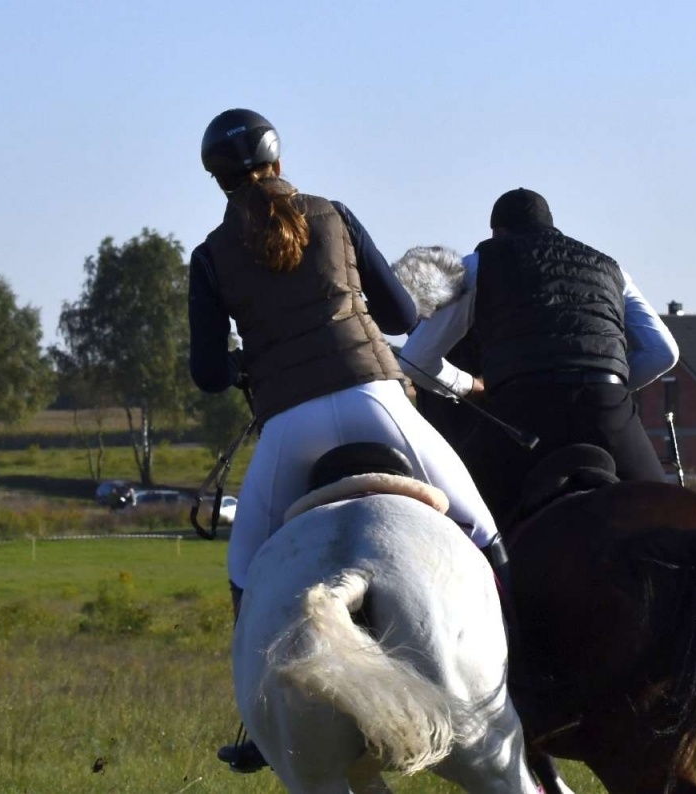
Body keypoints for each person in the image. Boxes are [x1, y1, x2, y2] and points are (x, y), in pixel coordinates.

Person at [188, 109, 504, 774]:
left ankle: (258, 727)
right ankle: (523, 677)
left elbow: (210, 375)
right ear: (278, 160)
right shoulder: (332, 214)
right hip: (376, 401)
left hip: (289, 428)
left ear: (217, 179)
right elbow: (403, 315)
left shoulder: (211, 257)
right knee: (483, 531)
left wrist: (253, 362)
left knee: (246, 571)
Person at [399, 187, 680, 528]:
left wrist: (470, 385)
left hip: (523, 413)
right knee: (670, 520)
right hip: (606, 410)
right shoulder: (610, 268)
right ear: (552, 228)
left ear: (497, 233)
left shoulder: (477, 266)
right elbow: (663, 352)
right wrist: (611, 384)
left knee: (465, 526)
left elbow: (415, 360)